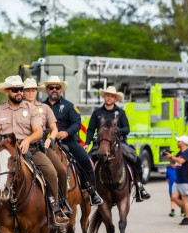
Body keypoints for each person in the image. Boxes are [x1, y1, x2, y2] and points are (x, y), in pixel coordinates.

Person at [0, 75, 70, 228]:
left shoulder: (31, 108)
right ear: (7, 92)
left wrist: (27, 140)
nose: (19, 93)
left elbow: (38, 131)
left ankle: (55, 208)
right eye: (15, 90)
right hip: (3, 152)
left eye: (21, 90)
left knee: (51, 171)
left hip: (28, 149)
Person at [42, 76, 103, 206]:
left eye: (57, 88)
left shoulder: (69, 106)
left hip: (67, 141)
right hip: (46, 142)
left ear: (61, 90)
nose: (54, 90)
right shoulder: (41, 106)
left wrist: (66, 132)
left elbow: (77, 123)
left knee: (85, 160)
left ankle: (92, 192)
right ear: (47, 90)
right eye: (51, 87)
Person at [84, 86, 150, 202]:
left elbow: (127, 129)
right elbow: (90, 130)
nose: (109, 98)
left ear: (115, 99)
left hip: (119, 143)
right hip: (100, 144)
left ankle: (140, 187)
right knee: (88, 161)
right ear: (104, 97)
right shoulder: (97, 113)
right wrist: (87, 143)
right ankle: (91, 190)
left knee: (136, 159)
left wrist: (116, 130)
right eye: (107, 95)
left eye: (111, 96)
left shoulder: (120, 112)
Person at [22, 78, 71, 215]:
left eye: (33, 90)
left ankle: (62, 202)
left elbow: (54, 128)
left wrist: (49, 139)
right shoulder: (18, 108)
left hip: (41, 145)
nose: (30, 93)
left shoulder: (44, 108)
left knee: (60, 171)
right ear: (23, 92)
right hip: (21, 145)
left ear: (37, 91)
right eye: (27, 90)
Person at [165, 136, 188, 225]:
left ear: (183, 142)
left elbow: (181, 161)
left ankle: (187, 218)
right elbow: (174, 163)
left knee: (185, 200)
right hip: (178, 180)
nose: (177, 142)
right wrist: (169, 158)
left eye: (178, 141)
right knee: (174, 198)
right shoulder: (180, 152)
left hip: (185, 179)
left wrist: (172, 157)